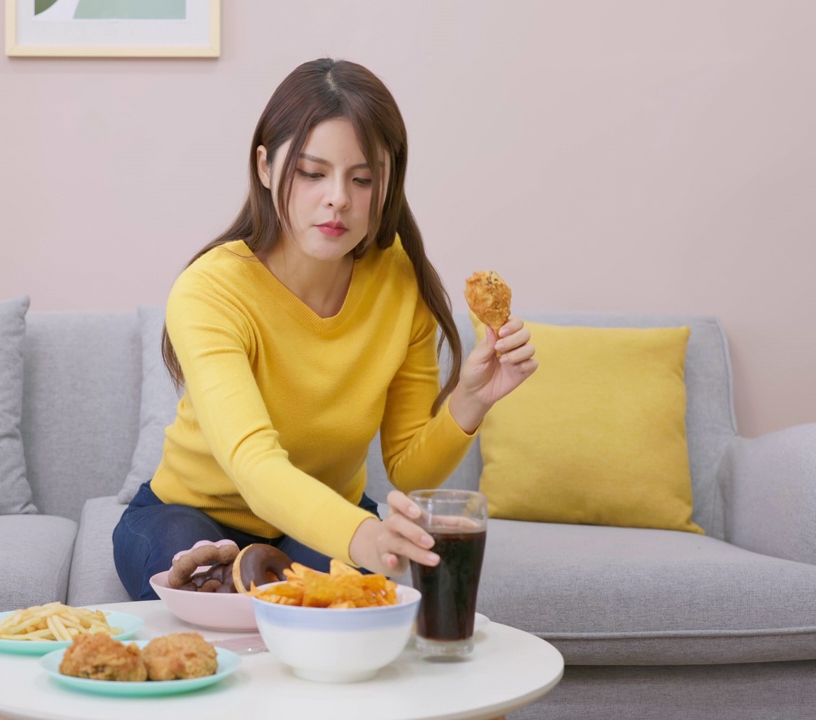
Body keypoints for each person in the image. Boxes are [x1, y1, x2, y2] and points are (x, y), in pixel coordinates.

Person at [112, 58, 538, 600]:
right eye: (313, 173)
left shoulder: (401, 281)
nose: (338, 197)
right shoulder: (211, 289)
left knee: (338, 600)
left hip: (319, 517)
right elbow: (253, 463)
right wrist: (365, 536)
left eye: (362, 179)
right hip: (189, 512)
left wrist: (473, 400)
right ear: (265, 167)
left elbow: (407, 465)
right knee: (198, 571)